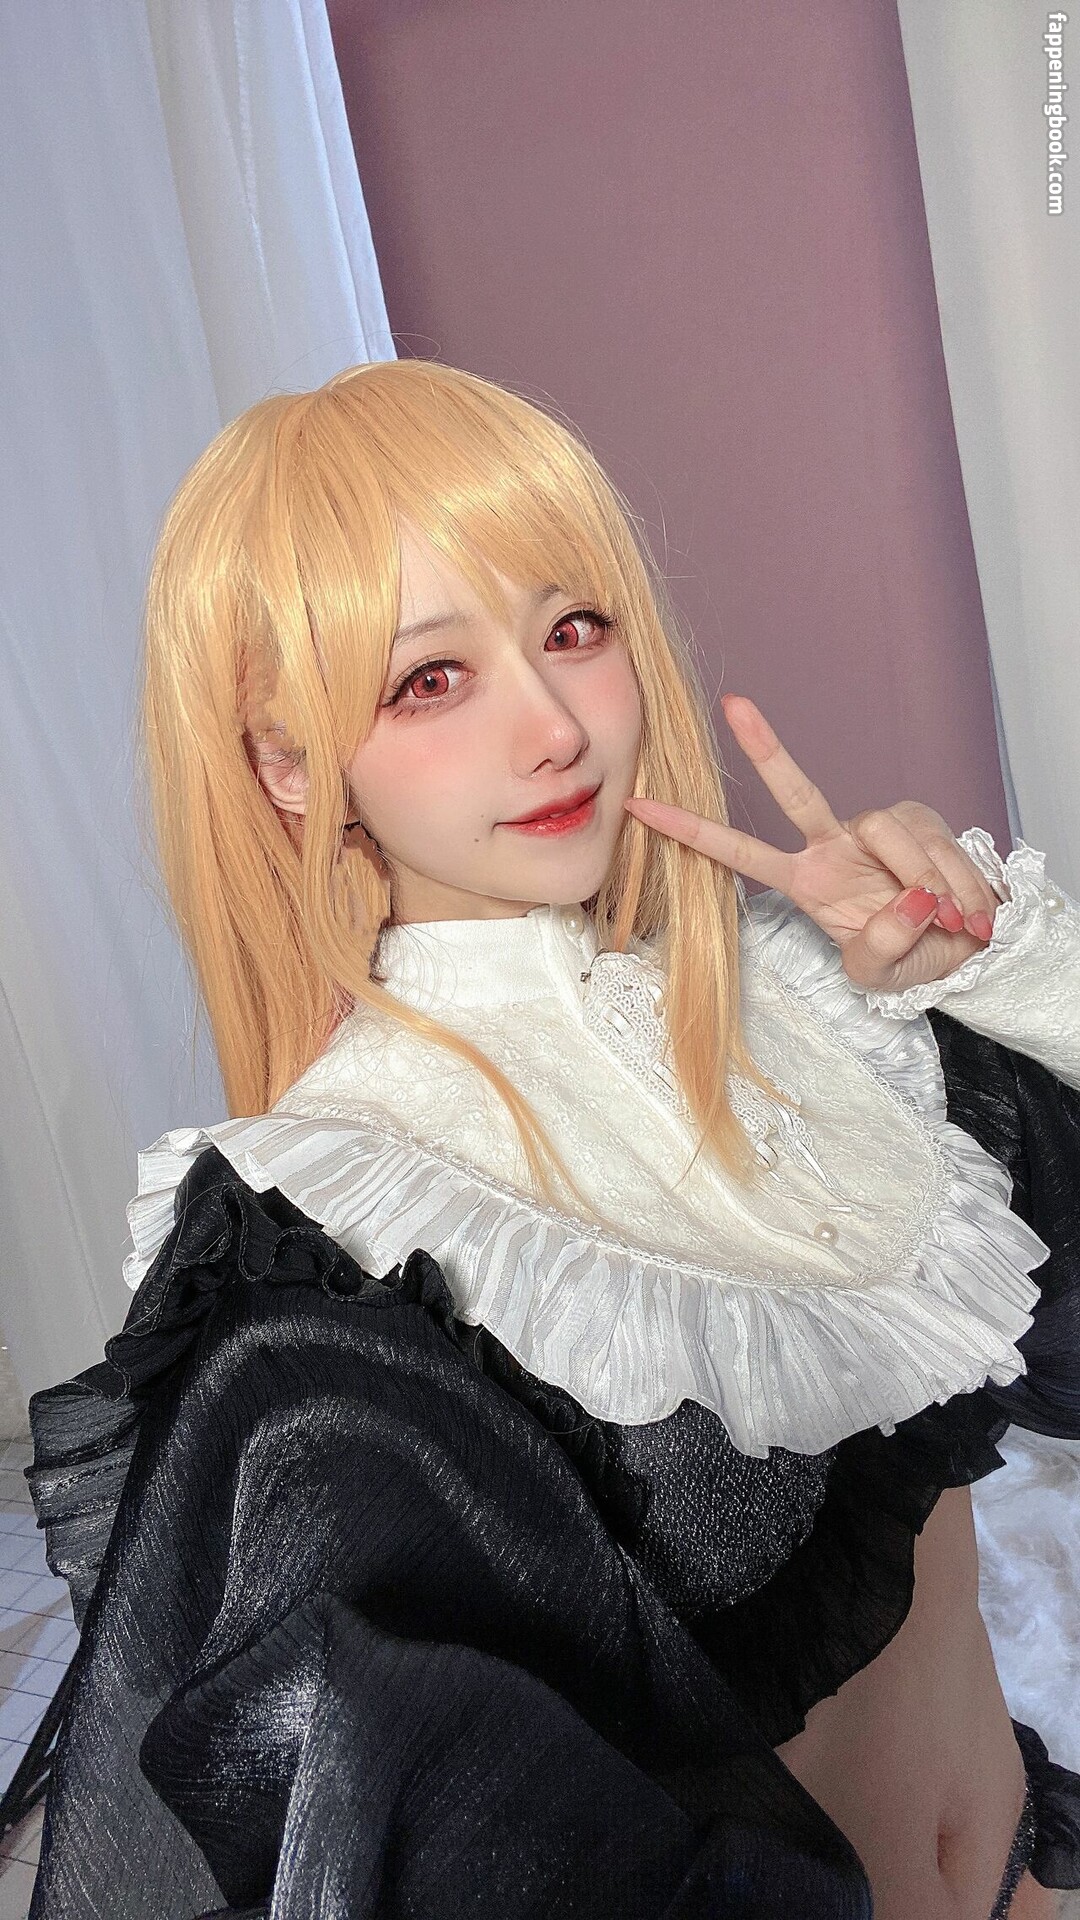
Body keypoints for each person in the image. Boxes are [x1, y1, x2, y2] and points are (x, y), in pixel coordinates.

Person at [19, 358, 1080, 1919]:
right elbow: (409, 1834)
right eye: (430, 680)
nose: (555, 728)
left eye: (572, 630)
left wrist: (993, 971)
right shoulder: (329, 1233)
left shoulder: (814, 1006)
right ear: (289, 764)